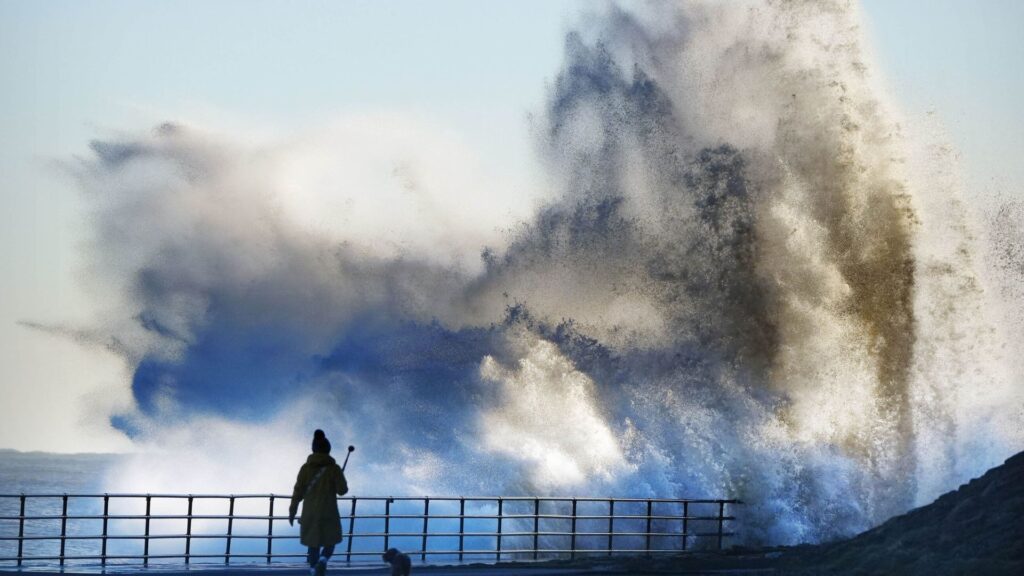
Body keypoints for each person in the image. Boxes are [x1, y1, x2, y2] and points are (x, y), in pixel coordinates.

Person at [289, 429, 349, 576]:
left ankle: (314, 570)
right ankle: (323, 561)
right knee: (330, 543)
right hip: (328, 512)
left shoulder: (305, 468)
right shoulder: (334, 469)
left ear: (313, 449)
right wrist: (339, 478)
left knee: (313, 544)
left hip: (310, 513)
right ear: (328, 450)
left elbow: (298, 491)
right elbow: (342, 490)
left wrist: (292, 510)